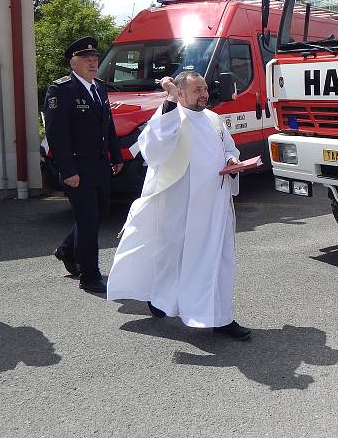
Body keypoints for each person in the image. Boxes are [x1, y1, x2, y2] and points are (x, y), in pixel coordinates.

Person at [107, 71, 251, 340]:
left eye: (205, 88)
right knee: (173, 260)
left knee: (217, 262)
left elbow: (229, 149)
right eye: (197, 90)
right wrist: (170, 103)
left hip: (214, 209)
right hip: (181, 208)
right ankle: (160, 299)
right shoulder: (170, 117)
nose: (204, 94)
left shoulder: (214, 119)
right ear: (180, 93)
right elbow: (154, 148)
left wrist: (232, 161)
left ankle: (220, 318)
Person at [44, 36, 123, 293]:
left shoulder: (99, 87)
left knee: (96, 214)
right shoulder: (61, 90)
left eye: (95, 59)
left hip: (99, 165)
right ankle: (89, 276)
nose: (93, 63)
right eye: (87, 60)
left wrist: (117, 155)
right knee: (88, 221)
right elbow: (57, 135)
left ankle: (66, 250)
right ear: (73, 63)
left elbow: (107, 125)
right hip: (77, 168)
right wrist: (68, 171)